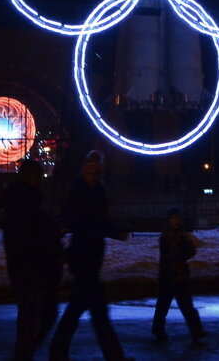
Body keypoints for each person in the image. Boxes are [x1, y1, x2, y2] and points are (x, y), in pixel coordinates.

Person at [47, 151, 133, 361]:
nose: (93, 175)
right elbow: (89, 223)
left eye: (95, 172)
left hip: (87, 256)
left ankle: (58, 350)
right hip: (85, 257)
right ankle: (114, 355)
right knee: (97, 313)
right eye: (90, 171)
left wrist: (112, 231)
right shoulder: (85, 193)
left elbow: (92, 222)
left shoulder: (90, 192)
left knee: (79, 309)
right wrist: (114, 232)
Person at [1, 159, 63, 361]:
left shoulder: (23, 202)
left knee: (33, 321)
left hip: (30, 272)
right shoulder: (25, 204)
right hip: (32, 272)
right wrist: (50, 238)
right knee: (32, 322)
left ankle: (24, 355)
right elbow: (26, 240)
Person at [151, 206, 206, 345]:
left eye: (177, 218)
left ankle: (196, 331)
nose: (176, 221)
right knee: (169, 305)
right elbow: (169, 256)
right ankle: (195, 331)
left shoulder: (181, 235)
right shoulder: (169, 236)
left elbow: (190, 252)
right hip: (170, 275)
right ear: (169, 220)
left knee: (182, 305)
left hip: (178, 274)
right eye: (173, 218)